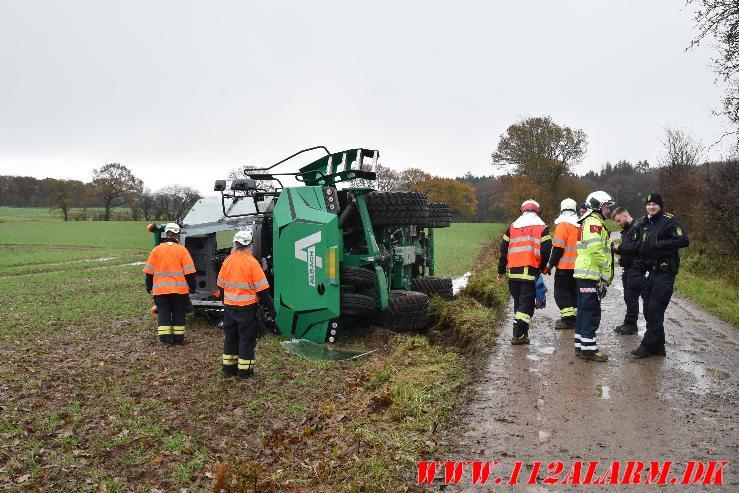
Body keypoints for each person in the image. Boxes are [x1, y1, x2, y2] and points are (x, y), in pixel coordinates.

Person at [628, 193, 689, 358]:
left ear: (660, 205)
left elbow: (684, 240)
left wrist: (661, 244)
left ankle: (647, 346)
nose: (651, 207)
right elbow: (639, 243)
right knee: (648, 310)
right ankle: (659, 346)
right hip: (651, 272)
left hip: (665, 273)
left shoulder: (670, 221)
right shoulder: (646, 222)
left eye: (654, 204)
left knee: (655, 310)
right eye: (648, 204)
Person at [217, 229, 275, 379]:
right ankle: (245, 372)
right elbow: (263, 290)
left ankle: (228, 369)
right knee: (246, 339)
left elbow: (221, 286)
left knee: (230, 337)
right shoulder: (252, 262)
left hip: (229, 308)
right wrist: (271, 310)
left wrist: (226, 302)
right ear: (250, 244)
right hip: (247, 309)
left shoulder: (227, 261)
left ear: (235, 244)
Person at [497, 200, 552, 345]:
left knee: (519, 304)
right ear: (538, 211)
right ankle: (518, 334)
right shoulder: (542, 227)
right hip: (530, 273)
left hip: (513, 273)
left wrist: (501, 271)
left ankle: (522, 334)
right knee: (526, 306)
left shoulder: (512, 227)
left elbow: (503, 250)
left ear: (522, 211)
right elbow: (546, 250)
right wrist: (542, 267)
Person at [573, 191, 614, 362]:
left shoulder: (590, 222)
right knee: (590, 311)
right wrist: (606, 270)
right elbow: (595, 249)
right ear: (597, 206)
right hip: (590, 274)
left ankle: (581, 346)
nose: (608, 210)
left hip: (585, 273)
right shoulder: (593, 223)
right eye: (606, 206)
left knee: (584, 310)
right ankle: (589, 350)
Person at [143, 223, 196, 344]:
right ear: (177, 234)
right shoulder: (182, 250)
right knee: (179, 313)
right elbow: (190, 273)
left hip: (161, 291)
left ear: (166, 234)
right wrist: (192, 287)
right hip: (179, 292)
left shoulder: (157, 250)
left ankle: (165, 339)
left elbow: (149, 272)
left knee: (163, 313)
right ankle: (178, 339)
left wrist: (149, 286)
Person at [544, 198, 580, 330]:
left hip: (564, 268)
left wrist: (550, 265)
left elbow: (558, 248)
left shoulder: (562, 225)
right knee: (574, 293)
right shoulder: (580, 225)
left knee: (561, 294)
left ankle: (568, 320)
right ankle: (575, 319)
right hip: (579, 268)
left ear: (561, 209)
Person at [612, 207, 646, 335]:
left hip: (636, 269)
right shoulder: (627, 230)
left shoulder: (637, 228)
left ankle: (631, 324)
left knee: (632, 297)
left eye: (619, 220)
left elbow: (635, 246)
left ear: (626, 215)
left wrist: (619, 247)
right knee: (628, 297)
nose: (618, 223)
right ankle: (629, 322)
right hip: (628, 268)